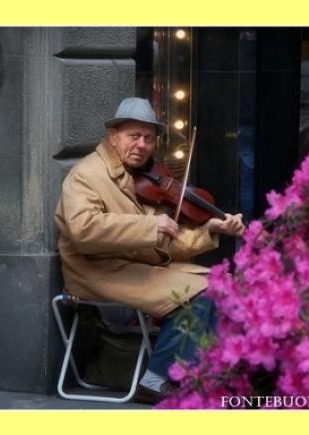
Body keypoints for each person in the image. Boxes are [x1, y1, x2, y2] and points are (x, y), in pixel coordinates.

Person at [54, 97, 244, 404]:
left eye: (149, 138)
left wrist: (209, 230)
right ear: (113, 136)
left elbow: (166, 243)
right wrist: (148, 228)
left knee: (220, 284)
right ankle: (157, 379)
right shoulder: (87, 174)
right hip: (94, 270)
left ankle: (204, 375)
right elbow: (82, 230)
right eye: (134, 136)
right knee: (196, 292)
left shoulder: (141, 175)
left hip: (131, 265)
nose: (142, 145)